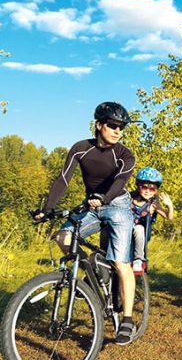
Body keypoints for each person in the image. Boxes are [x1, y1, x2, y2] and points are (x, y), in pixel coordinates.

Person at [34, 101, 138, 345]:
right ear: (98, 125)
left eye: (121, 127)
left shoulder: (124, 154)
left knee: (121, 262)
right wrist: (47, 209)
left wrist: (104, 197)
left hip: (118, 204)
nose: (117, 131)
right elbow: (63, 179)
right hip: (90, 204)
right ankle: (91, 270)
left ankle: (127, 319)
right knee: (63, 238)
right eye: (112, 125)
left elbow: (121, 181)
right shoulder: (80, 148)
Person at [130, 167, 175, 274]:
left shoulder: (153, 204)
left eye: (152, 189)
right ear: (138, 186)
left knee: (139, 228)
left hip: (142, 232)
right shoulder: (129, 198)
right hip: (125, 228)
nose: (147, 191)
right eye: (144, 187)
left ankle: (138, 259)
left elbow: (168, 217)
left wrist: (170, 206)